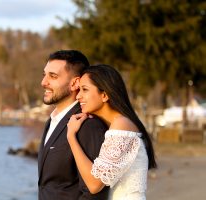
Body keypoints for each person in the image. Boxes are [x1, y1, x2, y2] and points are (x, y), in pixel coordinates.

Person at [67, 64, 157, 200]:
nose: (78, 96)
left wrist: (71, 136)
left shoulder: (122, 125)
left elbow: (94, 184)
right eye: (79, 89)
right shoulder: (117, 125)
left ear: (104, 95)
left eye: (84, 89)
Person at [38, 50, 110, 200]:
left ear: (75, 83)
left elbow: (93, 193)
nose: (43, 82)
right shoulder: (51, 121)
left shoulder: (87, 125)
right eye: (44, 75)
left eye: (53, 76)